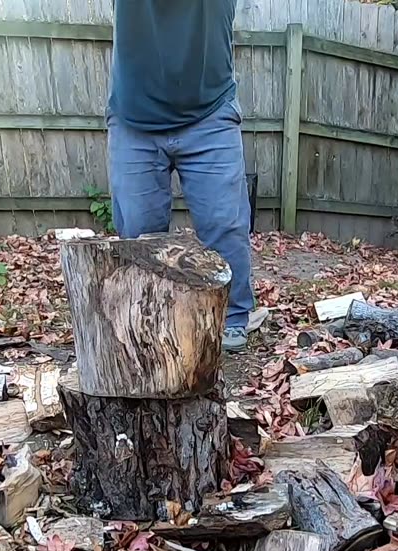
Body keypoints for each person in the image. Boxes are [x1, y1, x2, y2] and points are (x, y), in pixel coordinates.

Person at [108, 0, 254, 352]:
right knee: (139, 235)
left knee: (225, 225)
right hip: (134, 117)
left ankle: (231, 316)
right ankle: (148, 319)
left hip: (210, 112)